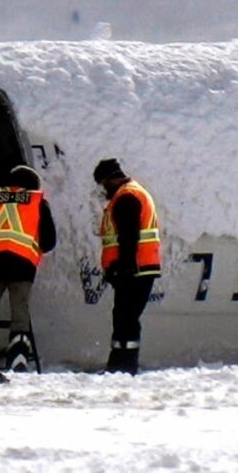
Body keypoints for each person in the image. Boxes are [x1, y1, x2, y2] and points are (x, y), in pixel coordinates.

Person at [0, 165, 56, 373]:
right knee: (20, 312)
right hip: (21, 265)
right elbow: (49, 241)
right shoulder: (37, 203)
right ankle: (17, 362)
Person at [93, 158, 161, 375]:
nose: (104, 190)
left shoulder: (126, 198)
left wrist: (123, 266)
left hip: (134, 270)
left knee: (126, 318)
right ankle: (120, 364)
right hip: (140, 267)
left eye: (104, 184)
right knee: (124, 316)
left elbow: (128, 236)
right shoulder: (134, 192)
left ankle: (124, 366)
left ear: (111, 179)